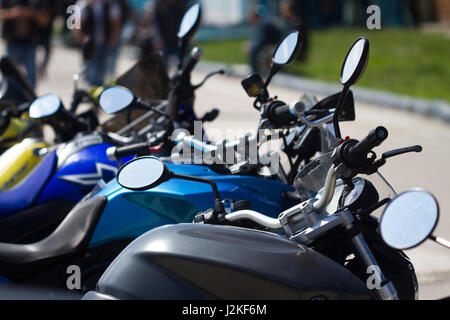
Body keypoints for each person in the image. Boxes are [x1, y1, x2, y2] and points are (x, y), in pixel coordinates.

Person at [0, 0, 51, 88]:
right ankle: (10, 96)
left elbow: (45, 20)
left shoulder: (35, 3)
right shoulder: (8, 2)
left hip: (29, 43)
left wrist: (31, 13)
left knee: (31, 74)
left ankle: (30, 97)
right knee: (9, 74)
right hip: (12, 43)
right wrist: (12, 13)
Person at [74, 0, 123, 86]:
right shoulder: (83, 5)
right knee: (89, 70)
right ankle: (91, 88)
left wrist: (112, 40)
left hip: (105, 44)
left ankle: (95, 89)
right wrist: (81, 40)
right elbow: (76, 24)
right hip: (90, 45)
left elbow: (116, 24)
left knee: (100, 71)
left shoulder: (110, 4)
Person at [248, 4, 282, 74]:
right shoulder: (262, 22)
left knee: (254, 50)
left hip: (275, 45)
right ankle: (256, 72)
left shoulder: (264, 23)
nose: (249, 17)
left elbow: (262, 40)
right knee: (254, 48)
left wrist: (252, 46)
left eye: (250, 15)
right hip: (272, 44)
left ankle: (254, 73)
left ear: (254, 15)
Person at [151, 0, 185, 68]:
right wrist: (158, 39)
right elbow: (156, 25)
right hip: (163, 40)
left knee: (182, 64)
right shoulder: (159, 6)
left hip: (177, 40)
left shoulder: (180, 6)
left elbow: (184, 23)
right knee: (163, 65)